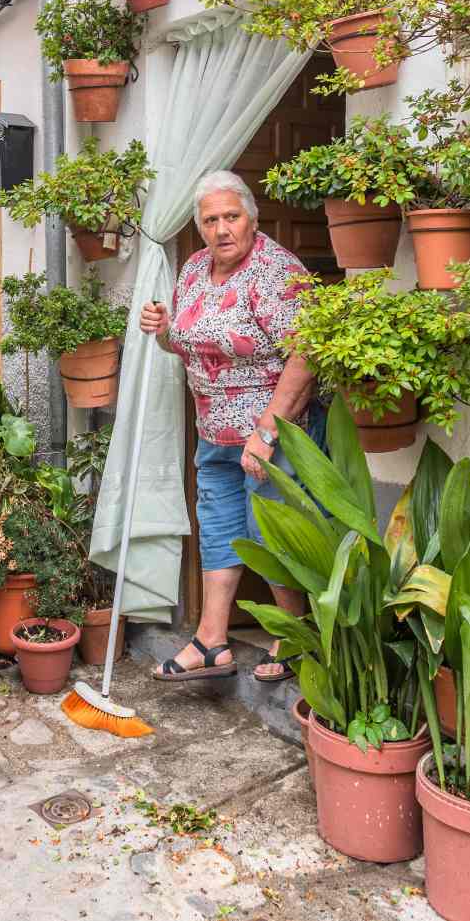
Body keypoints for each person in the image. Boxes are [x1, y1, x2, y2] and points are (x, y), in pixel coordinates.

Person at [138, 169, 322, 684]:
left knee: (272, 530)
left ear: (252, 218)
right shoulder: (195, 268)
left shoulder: (278, 270)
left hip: (270, 433)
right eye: (210, 220)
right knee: (218, 528)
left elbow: (306, 354)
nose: (221, 229)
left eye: (231, 217)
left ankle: (294, 633)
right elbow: (191, 342)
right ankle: (212, 639)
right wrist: (162, 332)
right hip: (213, 429)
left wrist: (266, 433)